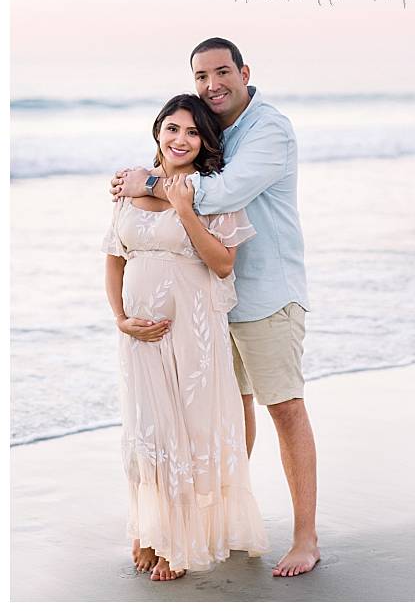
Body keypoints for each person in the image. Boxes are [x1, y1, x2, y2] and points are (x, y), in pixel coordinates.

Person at [110, 38, 320, 577]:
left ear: (245, 71)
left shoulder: (268, 129)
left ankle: (305, 538)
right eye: (202, 75)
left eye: (222, 71)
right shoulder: (213, 128)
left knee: (284, 408)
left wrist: (149, 181)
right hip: (206, 310)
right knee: (222, 415)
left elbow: (224, 192)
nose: (212, 84)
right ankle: (207, 522)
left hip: (266, 293)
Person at [103, 94, 268, 581]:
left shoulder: (213, 191)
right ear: (158, 131)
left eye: (193, 132)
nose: (181, 139)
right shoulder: (127, 187)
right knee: (148, 430)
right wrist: (120, 318)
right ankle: (151, 529)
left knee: (191, 430)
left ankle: (181, 539)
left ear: (205, 142)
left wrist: (185, 207)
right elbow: (114, 257)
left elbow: (221, 264)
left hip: (193, 332)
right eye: (173, 128)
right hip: (140, 336)